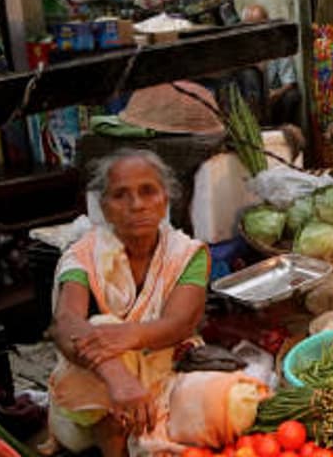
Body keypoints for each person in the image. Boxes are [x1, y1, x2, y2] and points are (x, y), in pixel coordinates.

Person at [47, 150, 265, 456]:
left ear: (165, 199)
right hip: (93, 398)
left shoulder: (185, 253)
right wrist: (120, 379)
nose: (137, 205)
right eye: (120, 195)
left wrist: (131, 335)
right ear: (105, 207)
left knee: (236, 402)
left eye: (147, 191)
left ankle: (140, 432)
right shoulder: (84, 254)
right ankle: (114, 440)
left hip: (165, 380)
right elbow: (66, 323)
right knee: (99, 327)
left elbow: (179, 324)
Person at [240, 4, 301, 129]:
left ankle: (282, 129)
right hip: (249, 101)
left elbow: (289, 82)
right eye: (251, 26)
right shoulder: (240, 46)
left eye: (260, 25)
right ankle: (255, 128)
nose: (256, 31)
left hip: (272, 97)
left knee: (292, 96)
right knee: (249, 74)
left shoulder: (277, 44)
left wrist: (276, 94)